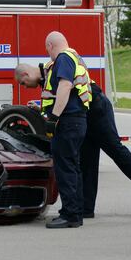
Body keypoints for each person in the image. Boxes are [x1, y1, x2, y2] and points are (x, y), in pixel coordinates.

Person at [14, 62, 131, 218]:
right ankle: (86, 208)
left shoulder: (54, 68)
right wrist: (41, 108)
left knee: (115, 149)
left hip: (96, 108)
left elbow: (67, 90)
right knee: (87, 161)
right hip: (83, 115)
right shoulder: (46, 77)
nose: (25, 87)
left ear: (25, 74)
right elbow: (61, 98)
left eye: (23, 83)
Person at [39, 31, 91, 228]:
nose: (48, 54)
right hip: (77, 120)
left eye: (47, 49)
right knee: (73, 167)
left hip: (68, 121)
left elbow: (65, 85)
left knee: (65, 169)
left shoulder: (63, 58)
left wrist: (53, 117)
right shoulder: (74, 57)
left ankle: (70, 214)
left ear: (51, 45)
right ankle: (75, 213)